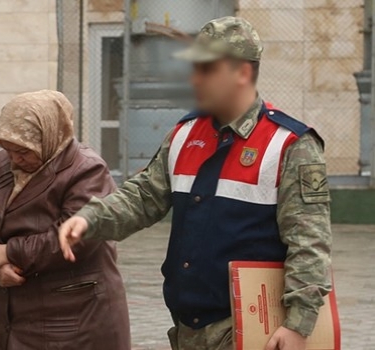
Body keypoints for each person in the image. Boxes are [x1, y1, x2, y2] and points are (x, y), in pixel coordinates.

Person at [59, 16, 332, 350]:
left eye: (207, 70)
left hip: (253, 328)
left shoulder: (291, 145)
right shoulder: (185, 133)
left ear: (242, 73)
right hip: (187, 328)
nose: (194, 79)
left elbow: (309, 244)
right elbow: (144, 196)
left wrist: (298, 325)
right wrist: (89, 218)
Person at [0, 90, 130, 350]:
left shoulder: (86, 169)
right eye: (8, 148)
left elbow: (78, 238)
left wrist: (9, 253)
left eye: (24, 151)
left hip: (74, 317)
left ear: (50, 135)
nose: (15, 159)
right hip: (10, 316)